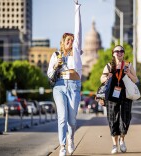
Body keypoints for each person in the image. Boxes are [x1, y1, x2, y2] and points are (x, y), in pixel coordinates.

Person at [47, 2, 82, 156]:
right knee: (62, 117)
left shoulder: (76, 53)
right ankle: (62, 146)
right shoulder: (56, 55)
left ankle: (71, 138)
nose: (71, 42)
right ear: (62, 42)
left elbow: (78, 30)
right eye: (68, 40)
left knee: (72, 120)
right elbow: (49, 76)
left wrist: (77, 8)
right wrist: (56, 66)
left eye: (72, 40)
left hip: (74, 85)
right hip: (59, 87)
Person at [100, 45, 138, 154]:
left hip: (125, 95)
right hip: (112, 96)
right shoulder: (109, 66)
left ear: (124, 53)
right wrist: (107, 76)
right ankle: (114, 144)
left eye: (121, 51)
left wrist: (129, 74)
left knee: (125, 118)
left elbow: (136, 80)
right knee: (113, 119)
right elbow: (101, 78)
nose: (119, 53)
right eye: (117, 51)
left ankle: (122, 140)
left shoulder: (128, 65)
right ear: (113, 53)